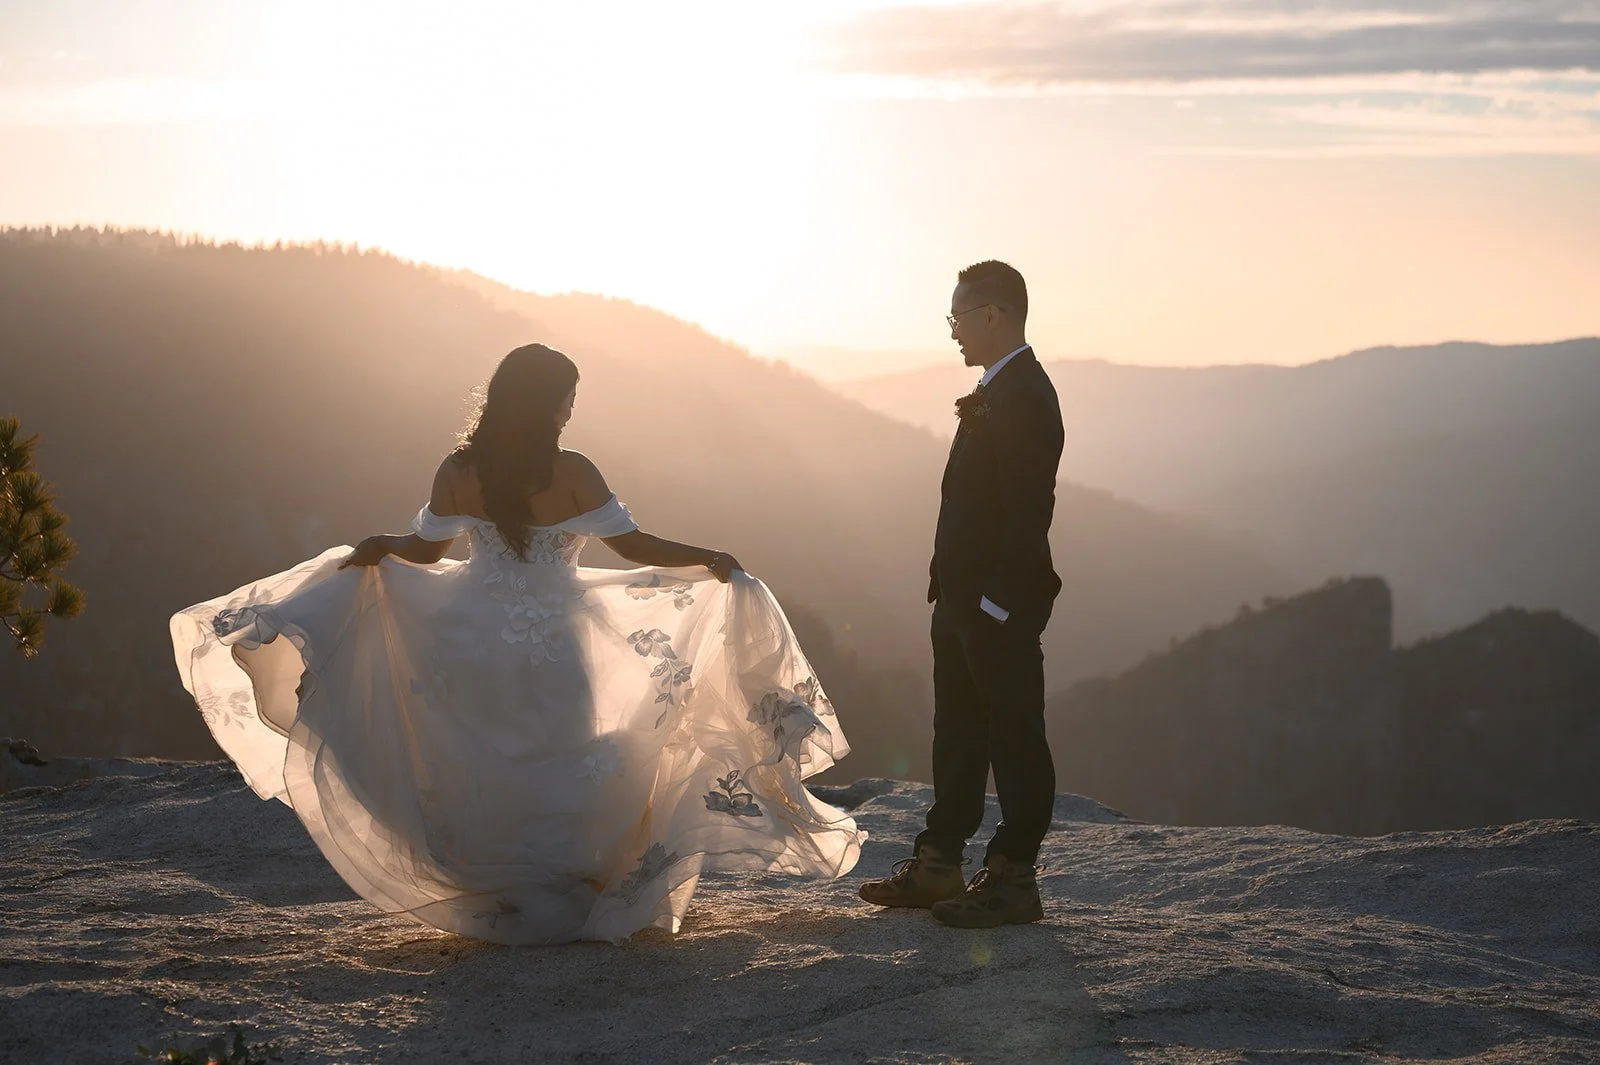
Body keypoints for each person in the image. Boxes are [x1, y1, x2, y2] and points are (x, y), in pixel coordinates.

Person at [171, 343, 862, 945]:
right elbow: (633, 547)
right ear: (543, 404)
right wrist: (712, 557)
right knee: (560, 753)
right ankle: (565, 885)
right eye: (565, 401)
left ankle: (506, 886)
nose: (569, 412)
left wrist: (381, 549)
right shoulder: (572, 471)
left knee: (489, 757)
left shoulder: (459, 468)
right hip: (555, 639)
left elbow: (423, 549)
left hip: (471, 635)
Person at [859, 261, 1063, 928]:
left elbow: (1029, 512)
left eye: (957, 317)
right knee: (959, 732)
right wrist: (948, 588)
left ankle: (1013, 878)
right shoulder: (995, 388)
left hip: (993, 606)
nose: (952, 332)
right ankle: (940, 863)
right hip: (960, 601)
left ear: (993, 314)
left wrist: (997, 604)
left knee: (1014, 734)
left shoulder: (1027, 395)